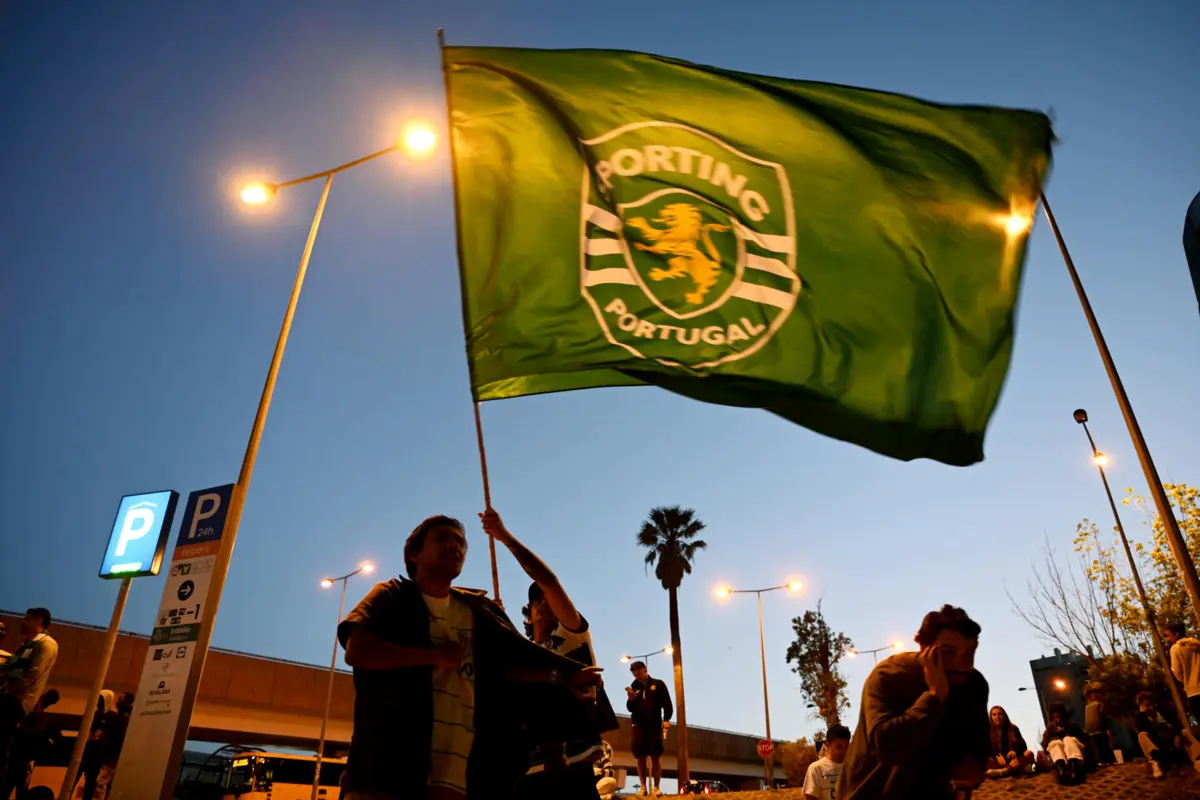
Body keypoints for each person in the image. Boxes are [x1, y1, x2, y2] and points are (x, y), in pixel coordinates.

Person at [337, 514, 605, 800]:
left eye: (460, 541)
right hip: (387, 774)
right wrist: (433, 656)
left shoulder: (477, 611)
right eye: (442, 538)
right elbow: (358, 651)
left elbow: (509, 664)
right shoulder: (391, 595)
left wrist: (564, 675)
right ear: (414, 554)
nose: (454, 545)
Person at [480, 509, 619, 800]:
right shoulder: (525, 655)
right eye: (535, 600)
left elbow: (548, 580)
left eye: (545, 595)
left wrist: (503, 537)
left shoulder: (572, 635)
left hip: (573, 762)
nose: (544, 600)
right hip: (529, 770)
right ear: (527, 618)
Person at [839, 605, 990, 800]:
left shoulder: (974, 685)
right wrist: (934, 696)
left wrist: (973, 769)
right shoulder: (889, 676)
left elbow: (977, 748)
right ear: (924, 649)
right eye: (948, 653)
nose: (961, 665)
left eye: (969, 653)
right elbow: (888, 747)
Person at [0, 609, 57, 790]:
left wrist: (10, 688)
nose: (22, 621)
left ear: (39, 620)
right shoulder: (27, 645)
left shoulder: (45, 644)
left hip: (16, 702)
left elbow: (32, 674)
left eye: (27, 618)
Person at [0, 689, 61, 800]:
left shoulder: (35, 706)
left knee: (12, 784)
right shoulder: (36, 709)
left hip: (19, 753)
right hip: (22, 753)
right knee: (16, 784)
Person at [626, 661, 672, 797]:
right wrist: (631, 699)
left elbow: (667, 704)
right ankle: (643, 787)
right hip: (638, 725)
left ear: (645, 670)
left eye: (639, 673)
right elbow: (630, 708)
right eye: (635, 675)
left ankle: (657, 787)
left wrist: (666, 720)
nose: (637, 677)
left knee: (655, 756)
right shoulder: (634, 686)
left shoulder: (658, 684)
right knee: (640, 756)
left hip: (654, 724)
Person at [1134, 691, 1187, 779]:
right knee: (1142, 735)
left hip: (1172, 742)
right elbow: (1140, 729)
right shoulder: (1142, 719)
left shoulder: (1164, 713)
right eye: (1147, 705)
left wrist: (1177, 735)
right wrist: (1142, 714)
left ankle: (1197, 757)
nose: (1151, 707)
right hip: (1158, 748)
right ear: (1142, 707)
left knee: (1185, 732)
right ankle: (1155, 761)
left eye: (1152, 704)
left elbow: (1178, 725)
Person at [1041, 702, 1087, 786]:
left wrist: (1067, 736)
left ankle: (1074, 767)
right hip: (1061, 758)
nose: (1058, 720)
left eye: (1060, 717)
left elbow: (1085, 741)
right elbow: (1045, 747)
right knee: (1055, 743)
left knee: (1068, 739)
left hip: (1077, 756)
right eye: (1055, 717)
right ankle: (1062, 770)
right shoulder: (1049, 731)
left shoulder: (1074, 727)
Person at [1163, 623, 1200, 725]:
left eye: (1168, 635)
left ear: (1176, 634)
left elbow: (1176, 671)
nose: (1167, 639)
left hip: (1194, 692)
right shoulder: (1197, 644)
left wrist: (1185, 680)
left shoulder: (1176, 648)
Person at [803, 724, 850, 800]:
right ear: (827, 745)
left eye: (846, 747)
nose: (843, 751)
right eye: (839, 747)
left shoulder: (852, 767)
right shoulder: (816, 769)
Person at [987, 706, 1034, 776]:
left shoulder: (1013, 728)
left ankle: (1006, 771)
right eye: (994, 714)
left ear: (1004, 715)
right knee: (987, 760)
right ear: (991, 717)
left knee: (1029, 753)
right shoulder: (988, 731)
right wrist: (997, 756)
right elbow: (986, 748)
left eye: (999, 714)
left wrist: (1015, 751)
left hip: (1014, 759)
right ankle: (1011, 770)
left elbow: (1023, 745)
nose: (997, 716)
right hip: (998, 761)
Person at [1083, 684, 1116, 765]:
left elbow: (1104, 719)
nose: (1093, 694)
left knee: (1104, 751)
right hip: (1095, 733)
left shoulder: (1097, 705)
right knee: (1101, 751)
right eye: (1092, 692)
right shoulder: (1091, 706)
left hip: (1100, 732)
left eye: (1096, 692)